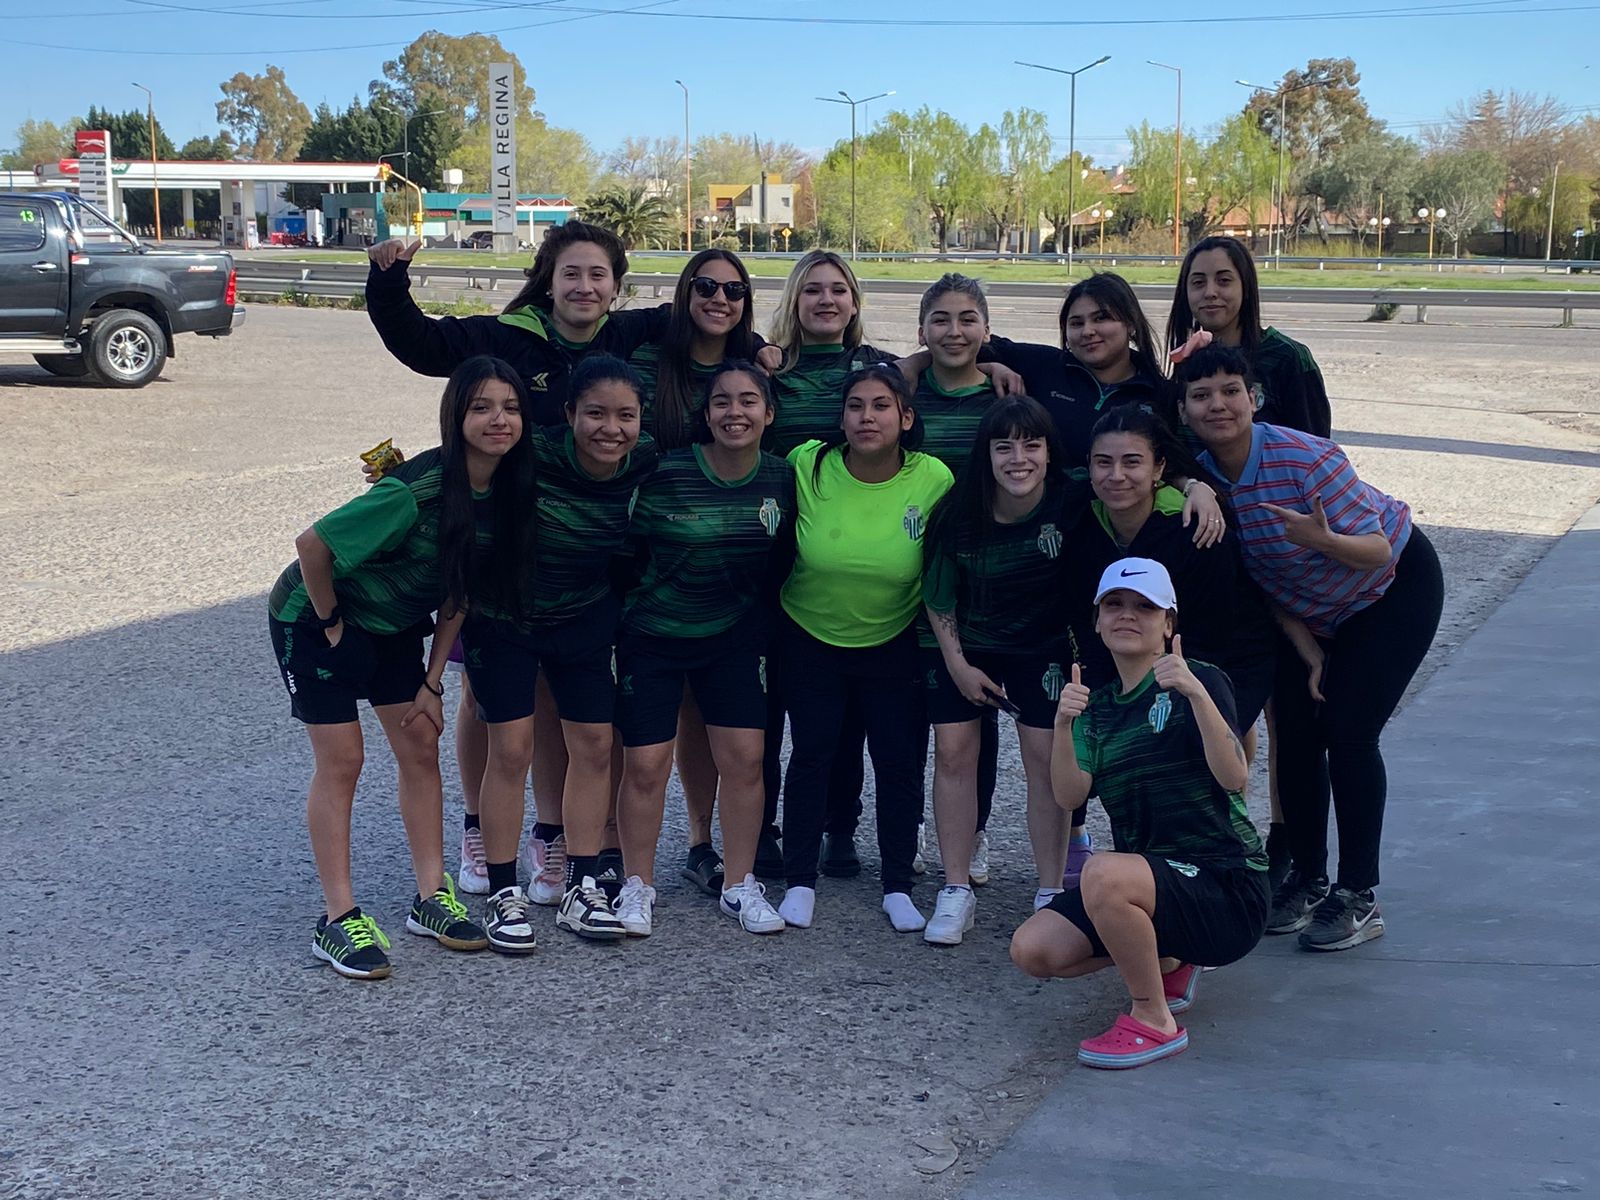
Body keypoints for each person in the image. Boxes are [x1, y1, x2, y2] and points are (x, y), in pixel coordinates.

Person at [365, 222, 662, 899]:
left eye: (598, 275)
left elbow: (703, 319)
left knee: (561, 710)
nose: (585, 287)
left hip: (575, 564)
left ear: (616, 285)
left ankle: (551, 836)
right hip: (501, 555)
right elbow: (423, 344)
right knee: (491, 707)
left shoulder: (621, 341)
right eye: (571, 274)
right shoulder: (508, 338)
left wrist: (758, 347)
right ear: (548, 279)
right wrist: (387, 281)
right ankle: (477, 823)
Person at [268, 356, 532, 980]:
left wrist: (432, 679)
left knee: (420, 744)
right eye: (482, 407)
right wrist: (333, 627)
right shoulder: (413, 490)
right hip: (314, 620)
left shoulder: (504, 493)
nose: (499, 419)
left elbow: (457, 595)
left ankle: (430, 898)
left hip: (389, 630)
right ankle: (337, 920)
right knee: (344, 760)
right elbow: (313, 546)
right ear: (456, 416)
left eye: (512, 407)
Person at [1176, 344, 1443, 950]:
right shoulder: (1202, 481)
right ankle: (1306, 875)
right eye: (1201, 395)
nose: (1218, 405)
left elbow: (1379, 549)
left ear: (1254, 398)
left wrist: (1318, 538)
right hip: (1304, 613)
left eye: (1231, 391)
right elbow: (1255, 579)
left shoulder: (1306, 458)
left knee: (1349, 731)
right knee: (1295, 733)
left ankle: (1357, 892)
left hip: (1391, 592)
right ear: (1185, 410)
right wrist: (1307, 643)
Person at [1010, 559, 1270, 1069]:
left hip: (1227, 885)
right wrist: (1063, 724)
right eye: (1115, 605)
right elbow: (1068, 795)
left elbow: (1234, 776)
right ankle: (1170, 959)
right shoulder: (1097, 707)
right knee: (1033, 950)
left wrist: (1193, 692)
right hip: (1157, 886)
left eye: (1144, 607)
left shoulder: (1202, 680)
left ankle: (1154, 1018)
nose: (1127, 615)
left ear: (1168, 624)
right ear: (1098, 620)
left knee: (1102, 872)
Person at [461, 354, 661, 950]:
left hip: (584, 618)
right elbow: (451, 479)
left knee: (595, 745)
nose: (611, 429)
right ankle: (502, 893)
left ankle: (581, 884)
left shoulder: (645, 460)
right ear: (569, 412)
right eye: (595, 413)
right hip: (506, 620)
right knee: (512, 749)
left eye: (626, 416)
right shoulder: (528, 455)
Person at [613, 363, 795, 937]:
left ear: (769, 413)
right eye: (721, 402)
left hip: (736, 637)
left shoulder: (784, 478)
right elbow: (621, 550)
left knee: (744, 760)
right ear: (706, 413)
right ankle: (636, 885)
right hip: (653, 636)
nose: (734, 413)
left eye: (748, 401)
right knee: (645, 764)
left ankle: (740, 885)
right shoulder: (663, 473)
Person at [778, 364, 954, 932]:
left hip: (892, 640)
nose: (866, 417)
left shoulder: (933, 478)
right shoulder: (809, 463)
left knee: (898, 762)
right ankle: (801, 879)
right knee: (812, 756)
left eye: (881, 406)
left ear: (906, 417)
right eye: (855, 406)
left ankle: (898, 885)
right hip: (809, 635)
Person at [921, 396, 1087, 943]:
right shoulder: (957, 512)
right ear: (986, 454)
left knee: (1045, 761)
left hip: (1044, 649)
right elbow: (938, 597)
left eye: (1031, 444)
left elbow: (1142, 480)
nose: (1019, 458)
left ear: (1048, 451)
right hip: (971, 647)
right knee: (953, 753)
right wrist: (958, 665)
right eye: (1004, 446)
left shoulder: (1074, 499)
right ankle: (955, 888)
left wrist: (1198, 489)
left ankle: (1049, 891)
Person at [627, 249, 764, 897]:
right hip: (655, 552)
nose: (720, 298)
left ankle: (706, 844)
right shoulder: (651, 366)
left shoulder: (756, 367)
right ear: (685, 293)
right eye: (706, 285)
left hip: (725, 561)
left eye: (734, 289)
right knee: (655, 727)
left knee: (710, 720)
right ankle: (626, 851)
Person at [1067, 403, 1280, 761]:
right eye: (1103, 462)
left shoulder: (1195, 527)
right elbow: (1083, 620)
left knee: (1195, 757)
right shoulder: (1080, 520)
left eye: (1132, 462)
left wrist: (1164, 695)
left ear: (1159, 468)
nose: (1116, 475)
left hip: (1224, 658)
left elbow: (1214, 634)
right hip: (1139, 658)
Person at [980, 271, 1170, 465]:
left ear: (1130, 323)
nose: (1087, 331)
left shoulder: (1161, 394)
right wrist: (993, 366)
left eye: (1100, 318)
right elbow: (968, 345)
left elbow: (1175, 463)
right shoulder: (1043, 365)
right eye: (1077, 323)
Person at [1165, 235, 1332, 439]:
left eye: (1224, 281)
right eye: (1198, 283)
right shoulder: (1186, 357)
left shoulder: (1287, 357)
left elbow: (1315, 450)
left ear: (1245, 287)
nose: (1210, 292)